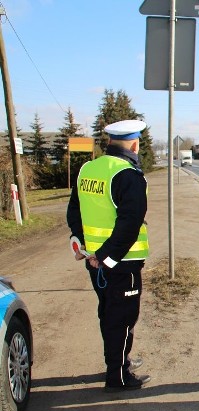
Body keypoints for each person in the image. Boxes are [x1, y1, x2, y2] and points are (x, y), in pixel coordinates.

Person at [67, 119, 151, 392]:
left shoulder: (88, 169)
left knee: (108, 313)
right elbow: (130, 223)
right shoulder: (128, 175)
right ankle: (118, 375)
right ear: (135, 143)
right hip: (119, 263)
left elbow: (75, 211)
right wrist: (107, 256)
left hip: (95, 261)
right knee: (123, 318)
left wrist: (80, 244)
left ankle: (117, 361)